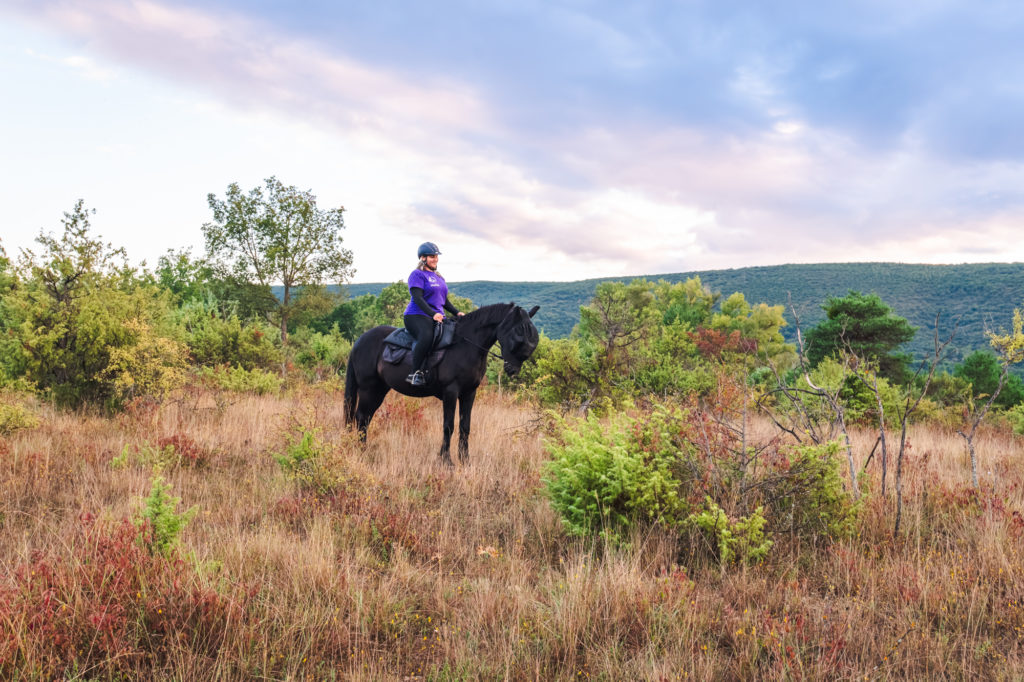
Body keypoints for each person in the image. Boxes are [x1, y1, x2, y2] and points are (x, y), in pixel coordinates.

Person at [403, 242, 464, 385]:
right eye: (432, 256)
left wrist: (457, 312)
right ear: (423, 258)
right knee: (426, 336)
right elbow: (418, 298)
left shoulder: (439, 277)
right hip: (416, 315)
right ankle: (415, 373)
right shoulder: (417, 274)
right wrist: (432, 314)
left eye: (436, 256)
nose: (435, 259)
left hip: (436, 316)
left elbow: (444, 301)